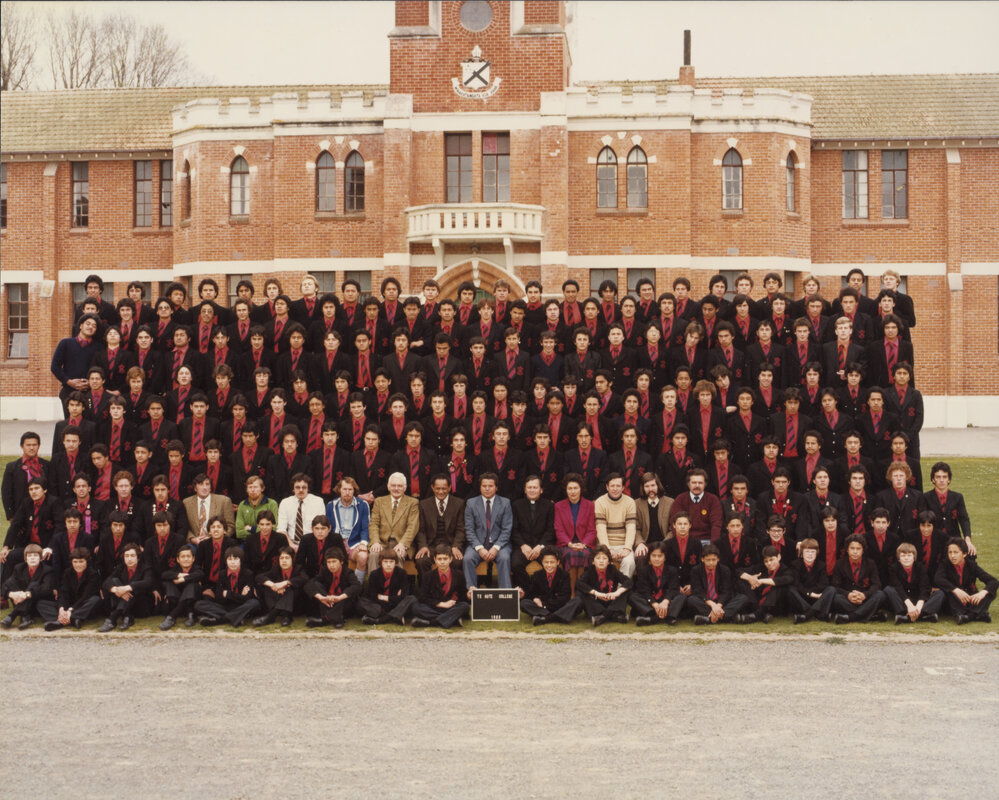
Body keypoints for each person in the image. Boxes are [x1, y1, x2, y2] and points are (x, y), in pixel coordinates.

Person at [463, 473, 514, 589]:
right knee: (467, 558)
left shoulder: (505, 503)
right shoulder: (471, 503)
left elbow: (507, 529)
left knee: (504, 558)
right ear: (480, 487)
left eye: (490, 486)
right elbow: (469, 530)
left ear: (496, 487)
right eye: (484, 485)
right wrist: (479, 548)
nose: (487, 489)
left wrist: (496, 548)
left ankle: (505, 593)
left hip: (500, 545)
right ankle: (470, 593)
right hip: (477, 544)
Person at [934, 538, 997, 624]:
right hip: (953, 602)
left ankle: (968, 616)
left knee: (990, 592)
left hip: (969, 598)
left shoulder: (971, 565)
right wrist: (956, 590)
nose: (952, 556)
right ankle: (978, 615)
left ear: (964, 554)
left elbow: (993, 581)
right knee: (948, 592)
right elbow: (938, 578)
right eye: (950, 552)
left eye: (956, 552)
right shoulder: (945, 564)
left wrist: (982, 593)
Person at [194, 546, 261, 627]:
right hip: (225, 606)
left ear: (241, 560)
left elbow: (247, 598)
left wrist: (227, 594)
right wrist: (239, 596)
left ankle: (220, 620)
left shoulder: (248, 574)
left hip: (241, 606)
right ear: (225, 561)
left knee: (254, 603)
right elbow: (219, 597)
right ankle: (237, 617)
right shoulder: (222, 574)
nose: (232, 562)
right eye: (229, 559)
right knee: (199, 605)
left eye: (235, 559)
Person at [39, 548, 103, 631]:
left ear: (87, 562)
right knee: (41, 603)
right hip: (69, 604)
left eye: (81, 562)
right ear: (71, 562)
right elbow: (63, 592)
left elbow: (85, 596)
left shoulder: (93, 574)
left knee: (95, 600)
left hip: (82, 605)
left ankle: (62, 621)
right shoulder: (67, 572)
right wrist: (61, 608)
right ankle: (72, 620)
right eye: (75, 562)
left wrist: (70, 610)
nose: (78, 565)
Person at [415, 474, 466, 574]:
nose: (441, 492)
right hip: (431, 546)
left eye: (444, 488)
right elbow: (421, 530)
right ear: (432, 487)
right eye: (437, 488)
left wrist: (456, 546)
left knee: (457, 561)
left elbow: (461, 529)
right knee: (421, 561)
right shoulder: (423, 504)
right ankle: (426, 589)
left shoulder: (459, 503)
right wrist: (423, 546)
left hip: (450, 545)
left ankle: (452, 589)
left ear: (450, 487)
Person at [510, 476, 556, 589]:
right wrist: (523, 545)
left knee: (550, 564)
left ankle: (545, 591)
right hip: (523, 547)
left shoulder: (549, 506)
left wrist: (540, 547)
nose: (532, 490)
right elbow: (514, 530)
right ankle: (528, 590)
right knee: (515, 564)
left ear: (541, 490)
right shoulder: (516, 505)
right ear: (525, 490)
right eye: (529, 487)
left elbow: (550, 531)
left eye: (535, 487)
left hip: (542, 547)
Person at [412, 544, 470, 629]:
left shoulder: (459, 574)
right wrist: (441, 604)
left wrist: (468, 595)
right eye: (439, 559)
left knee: (464, 606)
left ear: (450, 559)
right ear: (434, 559)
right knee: (415, 607)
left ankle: (430, 622)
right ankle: (452, 619)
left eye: (445, 559)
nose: (442, 562)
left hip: (451, 607)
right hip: (435, 606)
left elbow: (462, 597)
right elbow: (423, 598)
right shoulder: (427, 576)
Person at [519, 547, 582, 626]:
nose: (549, 565)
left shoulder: (564, 575)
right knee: (524, 603)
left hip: (557, 605)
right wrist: (530, 597)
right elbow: (532, 593)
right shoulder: (537, 575)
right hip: (544, 607)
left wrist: (545, 604)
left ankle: (545, 619)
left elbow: (565, 597)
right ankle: (560, 616)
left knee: (578, 602)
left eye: (552, 562)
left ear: (558, 562)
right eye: (546, 562)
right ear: (542, 562)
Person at [883, 542, 943, 624]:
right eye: (903, 556)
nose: (906, 558)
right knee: (888, 589)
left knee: (940, 593)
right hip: (903, 600)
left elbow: (924, 587)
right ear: (899, 558)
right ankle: (923, 617)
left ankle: (907, 617)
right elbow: (898, 587)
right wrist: (909, 606)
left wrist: (918, 607)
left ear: (914, 557)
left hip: (917, 599)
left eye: (909, 555)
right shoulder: (893, 568)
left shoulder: (920, 567)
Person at [831, 534, 886, 623]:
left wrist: (864, 595)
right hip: (847, 600)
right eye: (852, 548)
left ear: (863, 550)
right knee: (835, 598)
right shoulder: (839, 564)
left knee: (880, 595)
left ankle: (851, 617)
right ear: (847, 550)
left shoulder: (870, 563)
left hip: (865, 599)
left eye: (858, 549)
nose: (855, 551)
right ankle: (870, 615)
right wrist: (848, 595)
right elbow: (835, 586)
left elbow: (876, 584)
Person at [369, 472, 419, 568]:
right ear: (388, 487)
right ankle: (374, 582)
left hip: (400, 542)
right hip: (382, 542)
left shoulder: (413, 503)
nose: (396, 488)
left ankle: (397, 583)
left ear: (405, 488)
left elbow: (412, 526)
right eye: (393, 485)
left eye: (400, 486)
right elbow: (373, 524)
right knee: (373, 554)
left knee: (398, 555)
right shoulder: (379, 501)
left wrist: (403, 544)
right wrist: (375, 541)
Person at [99, 543, 153, 631]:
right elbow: (107, 581)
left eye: (132, 556)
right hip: (125, 604)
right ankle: (127, 617)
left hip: (140, 606)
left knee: (134, 588)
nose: (129, 559)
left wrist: (127, 588)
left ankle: (113, 618)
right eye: (127, 556)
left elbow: (148, 582)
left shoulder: (146, 568)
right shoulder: (121, 568)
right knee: (114, 581)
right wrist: (115, 590)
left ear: (138, 557)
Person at [357, 545, 417, 625]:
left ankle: (380, 620)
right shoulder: (374, 574)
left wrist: (382, 597)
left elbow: (404, 596)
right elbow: (372, 596)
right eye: (385, 562)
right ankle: (396, 615)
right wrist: (393, 597)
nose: (388, 565)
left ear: (395, 563)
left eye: (391, 562)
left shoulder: (402, 573)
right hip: (380, 606)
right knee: (360, 602)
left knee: (412, 598)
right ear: (381, 562)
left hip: (396, 605)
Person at [325, 477, 370, 581]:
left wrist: (363, 543)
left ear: (354, 491)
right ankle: (334, 587)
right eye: (344, 489)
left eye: (350, 489)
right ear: (339, 490)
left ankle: (357, 588)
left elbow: (365, 528)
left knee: (363, 557)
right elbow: (328, 528)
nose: (347, 492)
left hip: (354, 542)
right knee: (330, 558)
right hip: (336, 543)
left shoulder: (362, 505)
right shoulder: (331, 505)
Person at [1, 544, 55, 630]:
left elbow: (46, 590)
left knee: (34, 585)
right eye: (29, 556)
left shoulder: (47, 570)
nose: (32, 558)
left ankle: (13, 616)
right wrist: (12, 594)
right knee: (12, 584)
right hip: (21, 601)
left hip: (37, 603)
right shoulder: (19, 568)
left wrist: (27, 594)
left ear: (41, 558)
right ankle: (25, 617)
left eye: (35, 556)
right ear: (25, 559)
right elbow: (6, 585)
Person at [593, 473, 638, 577]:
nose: (615, 489)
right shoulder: (600, 502)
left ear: (623, 487)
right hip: (606, 545)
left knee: (629, 562)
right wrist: (608, 549)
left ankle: (620, 590)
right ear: (607, 487)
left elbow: (631, 527)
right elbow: (601, 528)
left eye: (618, 486)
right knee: (604, 562)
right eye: (612, 486)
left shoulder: (630, 502)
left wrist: (627, 548)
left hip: (624, 544)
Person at [630, 542, 684, 626]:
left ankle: (654, 618)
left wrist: (665, 601)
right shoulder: (643, 571)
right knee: (632, 596)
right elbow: (644, 590)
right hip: (651, 601)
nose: (656, 559)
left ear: (665, 557)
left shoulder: (672, 570)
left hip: (665, 600)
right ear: (649, 557)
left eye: (660, 556)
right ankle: (663, 616)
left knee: (681, 596)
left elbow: (673, 588)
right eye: (653, 556)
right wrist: (654, 604)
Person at [576, 544, 631, 626]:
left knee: (625, 591)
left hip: (610, 600)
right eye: (598, 558)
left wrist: (616, 593)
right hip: (597, 603)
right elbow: (579, 583)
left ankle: (603, 617)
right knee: (583, 593)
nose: (601, 561)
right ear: (593, 561)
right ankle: (615, 616)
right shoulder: (589, 570)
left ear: (608, 561)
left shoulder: (612, 569)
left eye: (604, 558)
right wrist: (596, 593)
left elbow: (628, 581)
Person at [305, 548, 361, 628]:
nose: (331, 565)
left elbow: (357, 586)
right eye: (329, 562)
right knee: (316, 584)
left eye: (334, 561)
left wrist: (339, 598)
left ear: (341, 562)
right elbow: (309, 584)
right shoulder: (325, 570)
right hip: (329, 602)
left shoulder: (348, 572)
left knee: (347, 593)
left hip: (344, 604)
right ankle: (337, 618)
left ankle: (326, 619)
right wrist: (321, 598)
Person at [252, 546, 307, 627]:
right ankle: (286, 617)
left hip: (296, 605)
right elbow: (259, 577)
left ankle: (271, 616)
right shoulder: (276, 569)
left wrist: (285, 583)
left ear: (292, 559)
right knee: (266, 586)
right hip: (279, 601)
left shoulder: (298, 568)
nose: (284, 561)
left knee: (291, 589)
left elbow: (304, 578)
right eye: (281, 558)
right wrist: (273, 585)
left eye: (287, 558)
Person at [788, 538, 837, 623]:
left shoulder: (821, 565)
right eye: (807, 551)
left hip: (817, 597)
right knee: (791, 589)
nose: (810, 554)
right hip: (803, 597)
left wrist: (814, 594)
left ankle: (807, 615)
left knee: (831, 589)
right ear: (802, 553)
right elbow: (797, 584)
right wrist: (809, 593)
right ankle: (819, 614)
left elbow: (824, 583)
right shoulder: (795, 564)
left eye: (812, 552)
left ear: (816, 553)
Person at [669, 468, 723, 544]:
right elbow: (675, 523)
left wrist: (713, 545)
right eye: (694, 482)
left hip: (707, 540)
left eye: (700, 483)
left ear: (705, 484)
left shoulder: (713, 500)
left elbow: (716, 525)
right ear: (688, 484)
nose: (697, 485)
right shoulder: (680, 499)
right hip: (687, 541)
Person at [159, 544, 205, 630]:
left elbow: (200, 574)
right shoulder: (175, 569)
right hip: (178, 600)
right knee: (169, 583)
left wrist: (183, 579)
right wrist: (179, 575)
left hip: (193, 602)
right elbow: (164, 575)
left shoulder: (197, 569)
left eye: (188, 556)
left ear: (193, 559)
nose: (186, 559)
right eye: (183, 557)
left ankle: (172, 617)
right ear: (178, 559)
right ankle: (189, 614)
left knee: (192, 584)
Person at [277, 474, 326, 550]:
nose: (301, 490)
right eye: (297, 487)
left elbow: (321, 527)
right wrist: (291, 545)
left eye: (304, 487)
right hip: (290, 543)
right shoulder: (285, 503)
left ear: (308, 488)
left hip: (312, 542)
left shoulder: (318, 502)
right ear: (293, 489)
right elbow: (281, 529)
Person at [182, 473, 236, 543]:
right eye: (201, 484)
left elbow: (230, 526)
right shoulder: (186, 502)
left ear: (210, 488)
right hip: (195, 542)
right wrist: (192, 539)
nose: (204, 487)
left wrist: (216, 538)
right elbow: (185, 526)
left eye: (207, 484)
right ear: (195, 488)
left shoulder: (224, 501)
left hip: (218, 542)